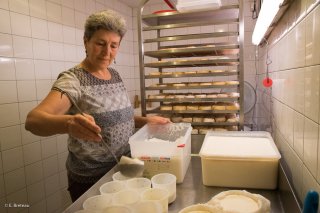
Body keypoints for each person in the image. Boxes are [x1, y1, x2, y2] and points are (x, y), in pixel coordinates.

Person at [25, 9, 170, 202]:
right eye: (100, 43)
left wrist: (146, 121)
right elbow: (33, 121)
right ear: (86, 41)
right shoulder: (73, 80)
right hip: (92, 179)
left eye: (113, 45)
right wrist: (68, 123)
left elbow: (116, 118)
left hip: (125, 167)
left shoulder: (115, 75)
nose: (106, 52)